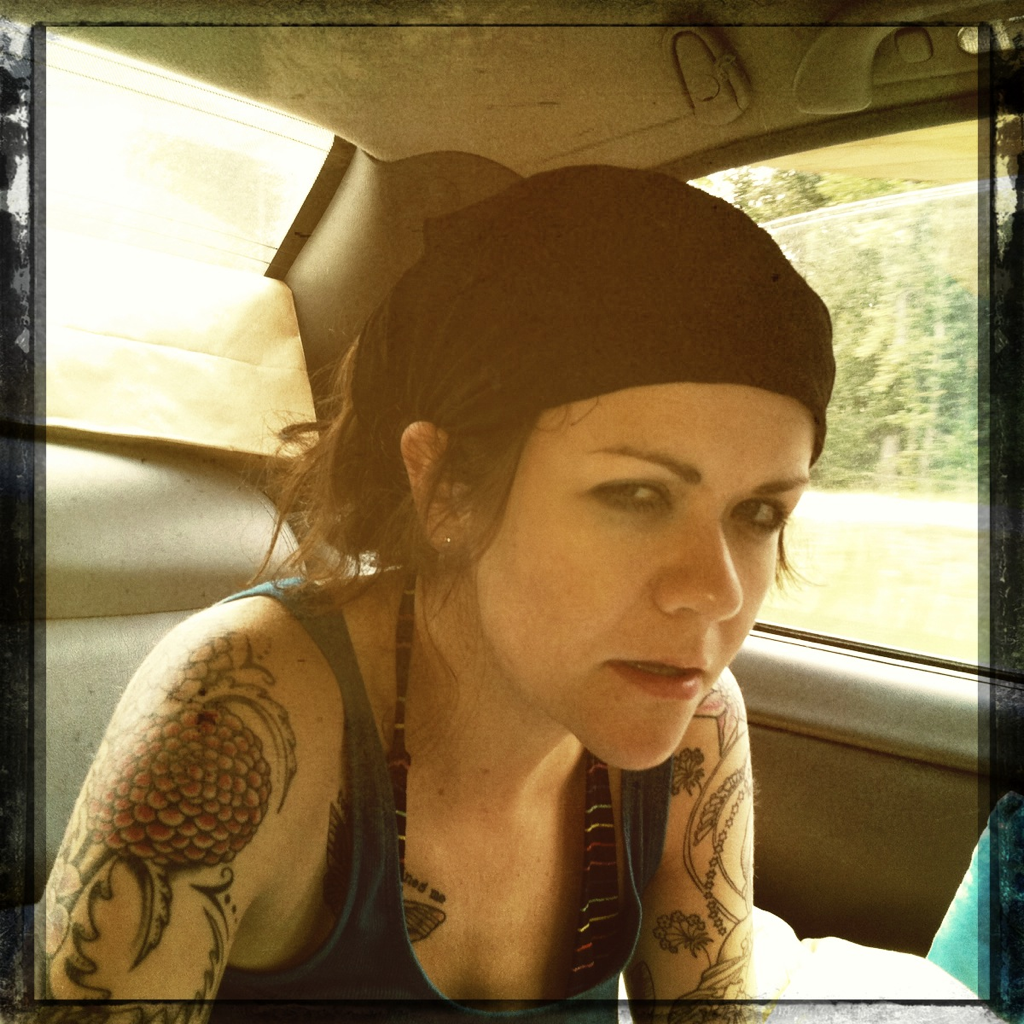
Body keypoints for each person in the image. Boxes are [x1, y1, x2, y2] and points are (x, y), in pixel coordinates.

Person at [39, 165, 833, 1022]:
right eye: (637, 496)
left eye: (759, 512)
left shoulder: (699, 726)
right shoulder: (241, 711)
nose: (716, 593)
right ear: (446, 486)